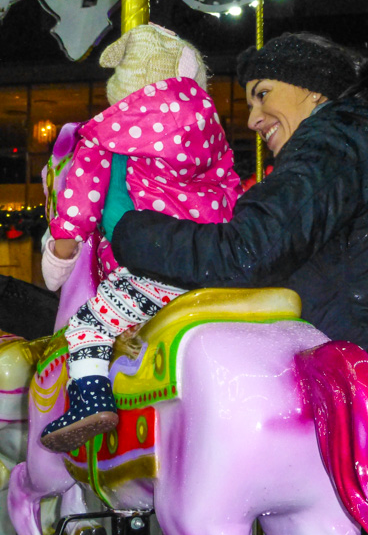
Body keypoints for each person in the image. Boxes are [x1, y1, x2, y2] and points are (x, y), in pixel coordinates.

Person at [109, 32, 368, 535]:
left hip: (343, 409)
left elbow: (247, 253)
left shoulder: (336, 143)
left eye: (263, 93)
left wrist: (128, 228)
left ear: (314, 90)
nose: (254, 118)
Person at [39, 23, 242, 453]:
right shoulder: (215, 134)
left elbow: (79, 202)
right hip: (217, 267)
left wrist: (60, 250)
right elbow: (232, 193)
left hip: (153, 272)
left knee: (88, 326)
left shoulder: (104, 135)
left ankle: (90, 402)